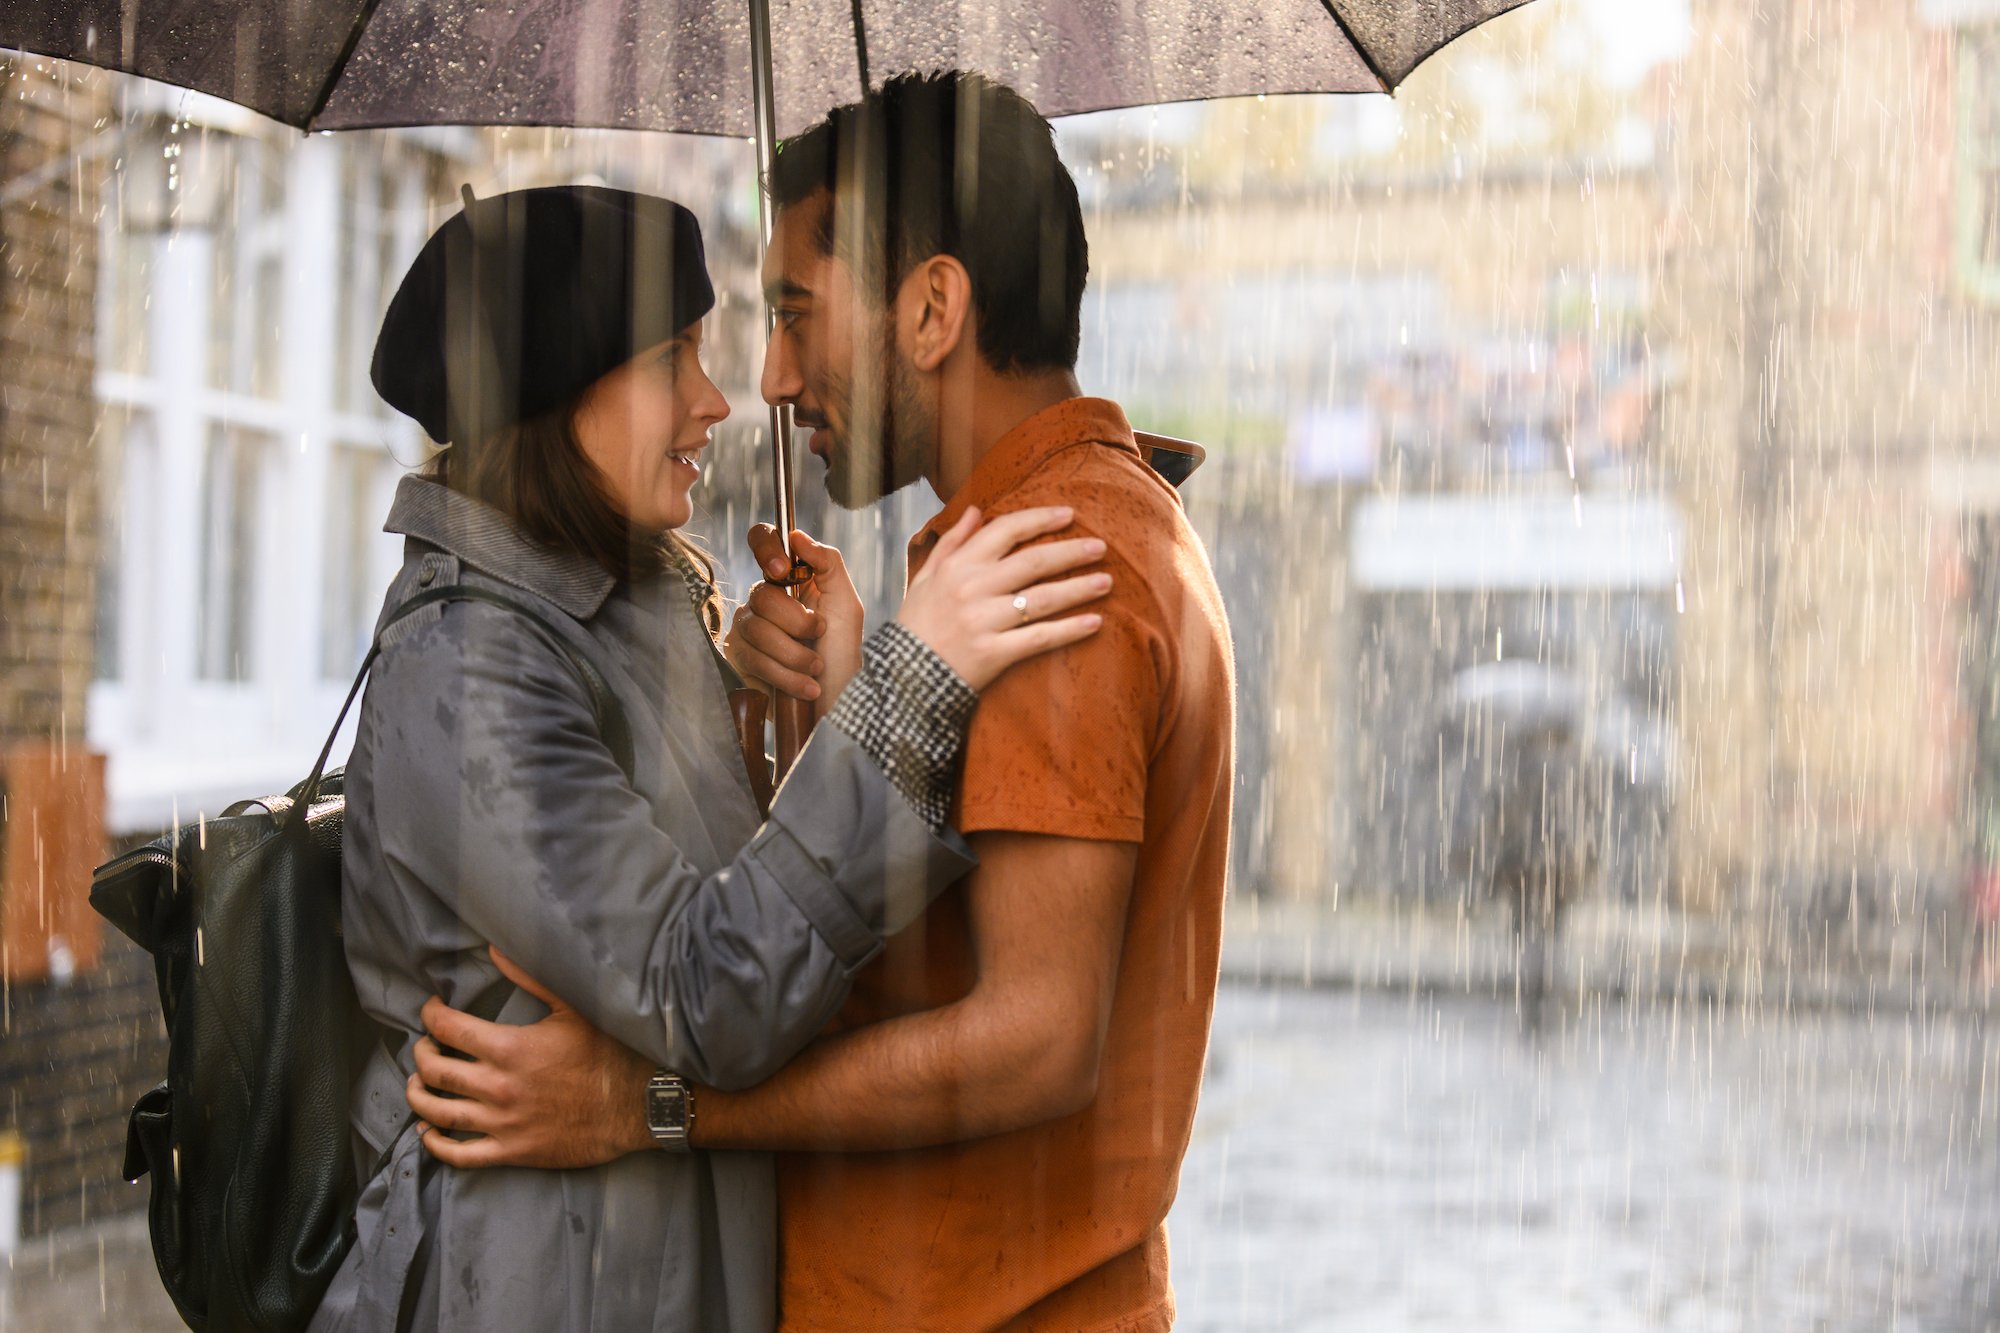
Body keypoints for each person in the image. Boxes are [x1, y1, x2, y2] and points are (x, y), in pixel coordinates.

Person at [412, 73, 1237, 1331]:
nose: (769, 378)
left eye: (796, 313)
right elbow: (929, 949)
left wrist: (647, 1103)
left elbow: (1033, 1038)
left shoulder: (1058, 569)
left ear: (931, 308)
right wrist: (850, 709)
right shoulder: (1024, 551)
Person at [308, 183, 1110, 1333]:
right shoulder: (467, 665)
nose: (719, 401)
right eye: (671, 360)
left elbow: (722, 904)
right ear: (551, 396)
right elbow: (711, 992)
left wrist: (762, 701)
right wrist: (908, 687)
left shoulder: (624, 610)